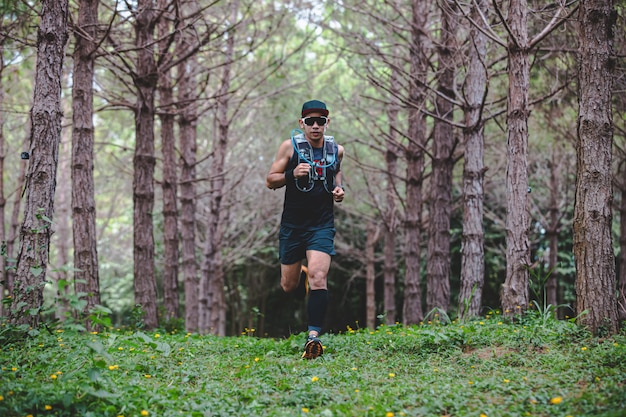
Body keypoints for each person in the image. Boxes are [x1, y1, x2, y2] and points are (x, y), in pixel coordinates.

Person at [266, 99, 345, 359]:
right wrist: (292, 175)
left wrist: (338, 189)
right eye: (309, 121)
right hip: (293, 226)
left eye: (320, 121)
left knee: (319, 277)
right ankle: (300, 274)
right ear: (302, 123)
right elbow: (270, 180)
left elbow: (337, 173)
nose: (315, 125)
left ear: (326, 123)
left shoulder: (337, 150)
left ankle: (313, 338)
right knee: (289, 286)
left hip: (321, 225)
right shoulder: (290, 148)